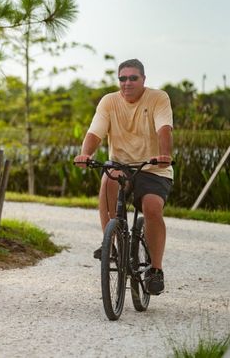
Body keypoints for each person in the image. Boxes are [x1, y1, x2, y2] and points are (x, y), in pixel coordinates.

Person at [73, 59, 173, 295]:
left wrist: (165, 155)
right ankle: (110, 244)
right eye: (122, 78)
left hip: (153, 167)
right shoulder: (109, 101)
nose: (127, 83)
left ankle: (155, 270)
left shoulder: (158, 98)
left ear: (143, 79)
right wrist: (85, 154)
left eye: (133, 78)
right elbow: (95, 132)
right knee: (109, 178)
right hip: (121, 165)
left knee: (152, 208)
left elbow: (164, 128)